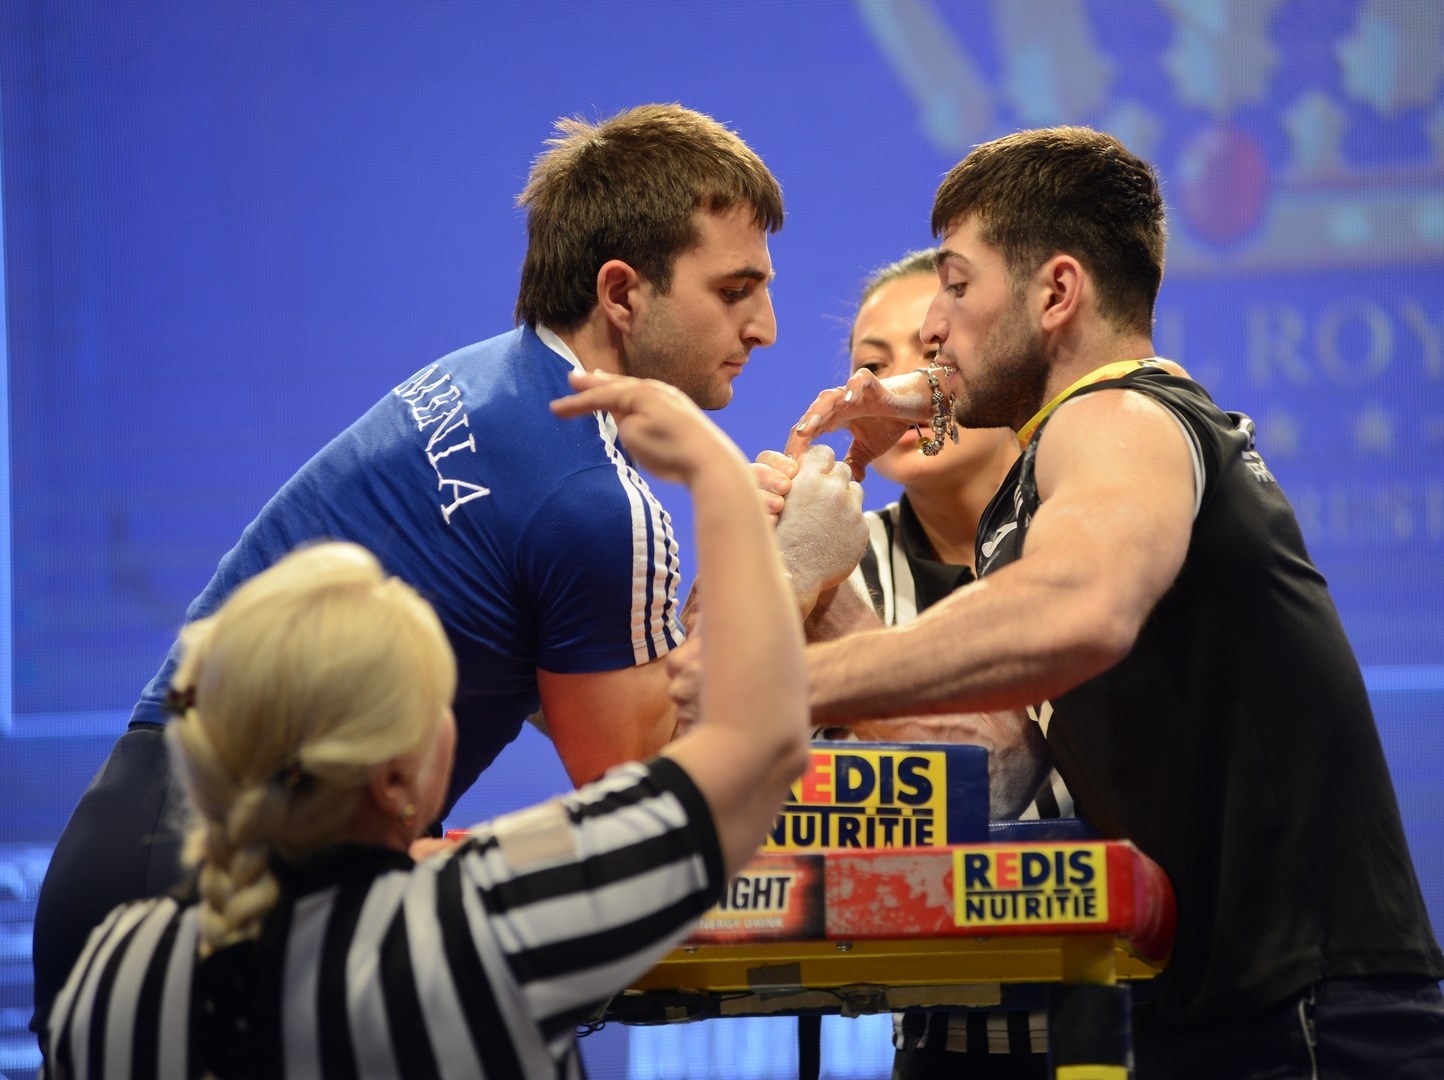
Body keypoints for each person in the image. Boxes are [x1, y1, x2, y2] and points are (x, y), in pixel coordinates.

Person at [30, 102, 863, 1045]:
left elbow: (587, 678)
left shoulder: (491, 378)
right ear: (623, 293)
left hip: (124, 903)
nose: (767, 327)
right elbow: (657, 793)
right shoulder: (593, 497)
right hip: (243, 917)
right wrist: (790, 568)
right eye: (736, 289)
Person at [784, 127, 1444, 1078]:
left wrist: (784, 681)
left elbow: (1077, 608)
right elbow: (996, 766)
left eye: (957, 284)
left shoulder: (1120, 412)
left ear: (1057, 292)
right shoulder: (1038, 490)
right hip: (1199, 1013)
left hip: (1304, 1012)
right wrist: (814, 593)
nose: (934, 325)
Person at [42, 370, 810, 1080]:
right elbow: (757, 747)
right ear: (399, 778)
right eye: (435, 702)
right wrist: (722, 487)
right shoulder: (489, 915)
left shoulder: (117, 968)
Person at [839, 250, 1076, 1075]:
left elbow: (1004, 780)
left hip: (1136, 1027)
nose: (892, 385)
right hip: (940, 1044)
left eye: (930, 354)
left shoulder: (1100, 534)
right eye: (871, 363)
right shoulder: (832, 554)